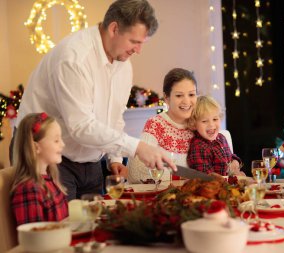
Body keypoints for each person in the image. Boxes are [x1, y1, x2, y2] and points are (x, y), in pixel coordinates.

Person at [13, 0, 175, 200]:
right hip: (47, 157)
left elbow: (114, 116)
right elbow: (80, 126)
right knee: (64, 228)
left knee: (94, 225)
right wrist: (138, 147)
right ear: (114, 28)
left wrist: (115, 158)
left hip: (90, 162)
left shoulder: (124, 65)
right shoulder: (74, 58)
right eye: (135, 41)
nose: (138, 50)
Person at [127, 68, 197, 183]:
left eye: (191, 94)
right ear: (166, 98)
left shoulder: (198, 124)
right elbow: (135, 173)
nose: (186, 101)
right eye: (179, 96)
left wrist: (234, 161)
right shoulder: (155, 124)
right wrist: (181, 178)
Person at [11, 113, 68, 225]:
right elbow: (35, 239)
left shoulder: (49, 179)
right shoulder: (29, 190)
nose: (63, 144)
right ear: (36, 147)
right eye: (56, 140)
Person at [187, 95, 244, 176]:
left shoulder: (221, 137)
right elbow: (207, 178)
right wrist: (228, 171)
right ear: (194, 124)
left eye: (215, 119)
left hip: (230, 183)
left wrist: (235, 161)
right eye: (204, 121)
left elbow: (230, 155)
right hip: (216, 186)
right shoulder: (198, 146)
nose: (211, 125)